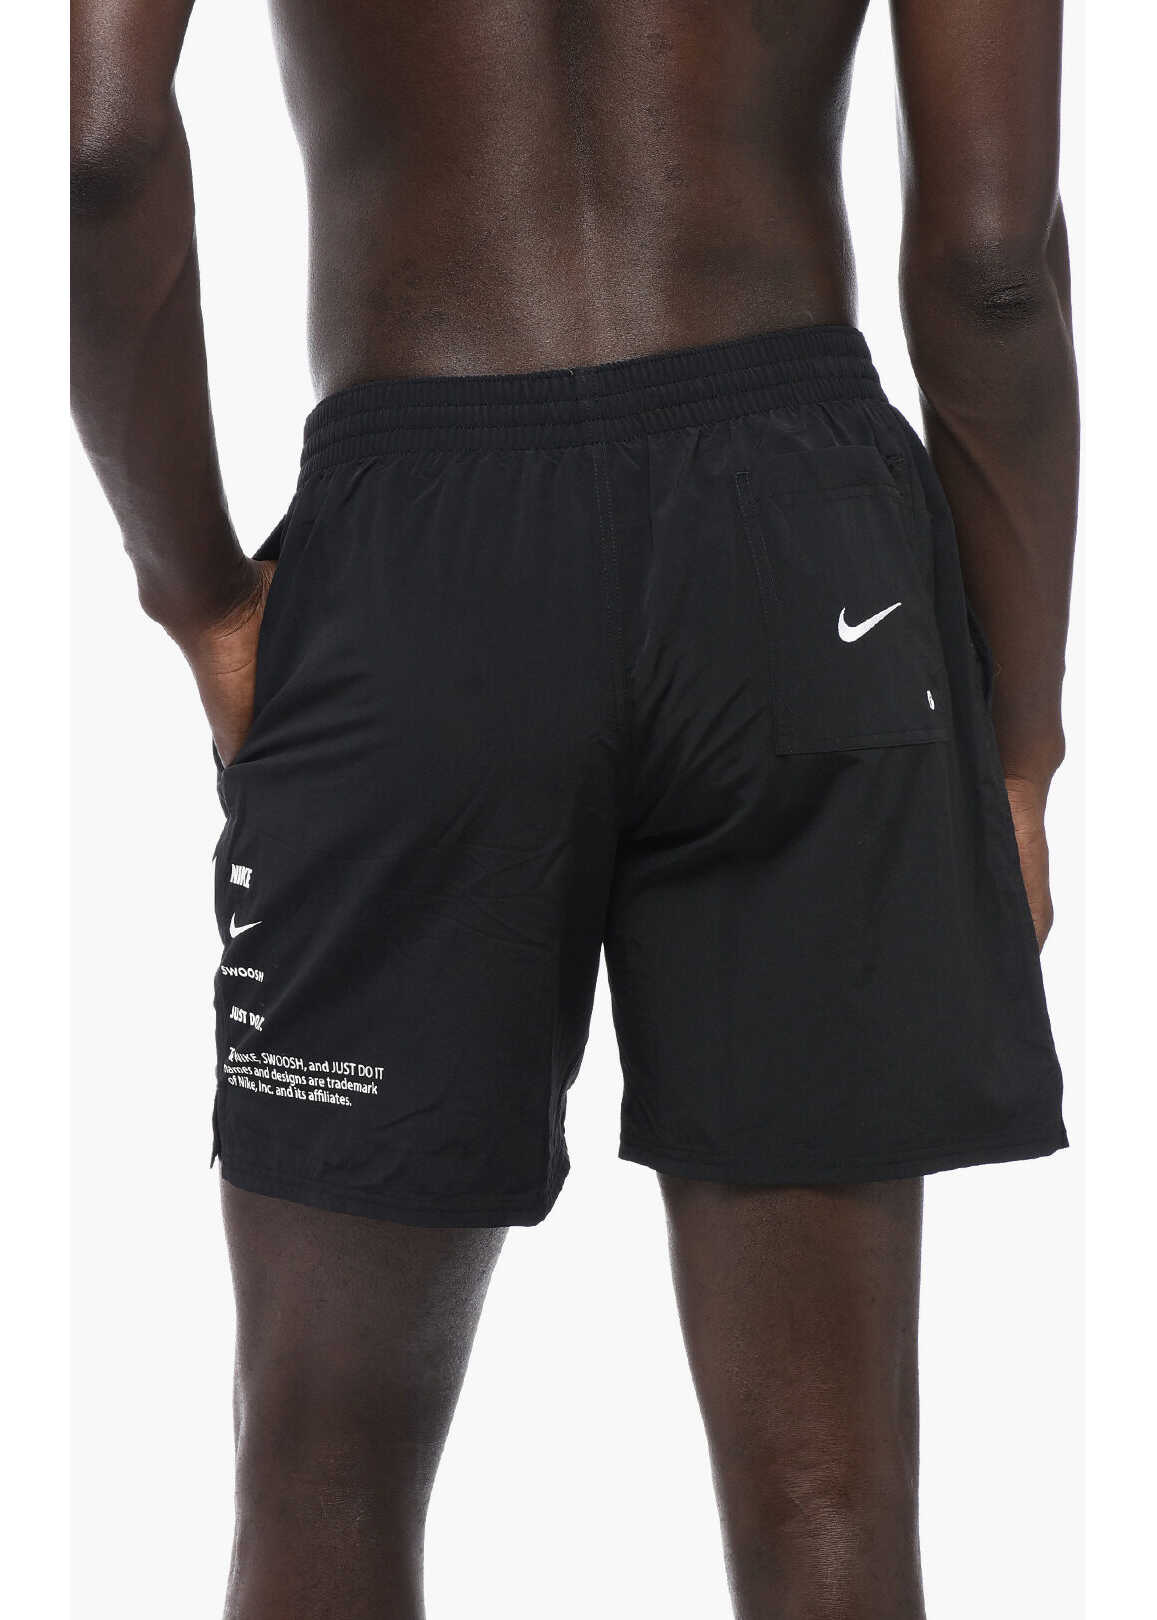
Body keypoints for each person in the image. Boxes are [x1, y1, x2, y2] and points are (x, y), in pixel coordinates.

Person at [71, 0, 1076, 1614]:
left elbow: (103, 147)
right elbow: (990, 263)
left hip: (417, 559)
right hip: (802, 563)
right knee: (826, 1482)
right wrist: (1017, 745)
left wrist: (195, 590)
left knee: (324, 1460)